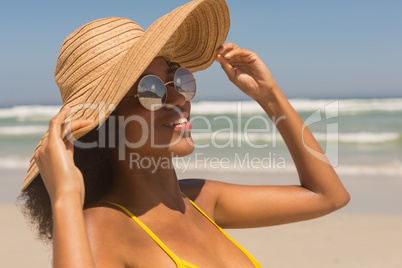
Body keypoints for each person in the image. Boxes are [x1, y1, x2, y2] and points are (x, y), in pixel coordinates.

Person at [18, 0, 350, 267]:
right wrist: (64, 198)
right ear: (107, 121)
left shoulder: (202, 201)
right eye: (149, 90)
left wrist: (268, 94)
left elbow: (328, 196)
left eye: (177, 79)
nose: (178, 98)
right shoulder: (102, 226)